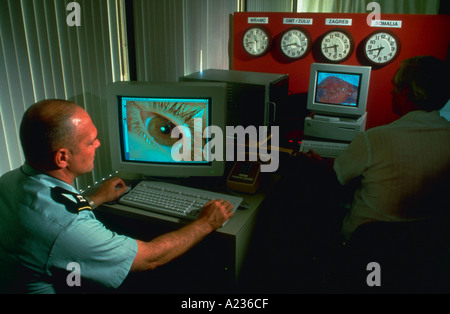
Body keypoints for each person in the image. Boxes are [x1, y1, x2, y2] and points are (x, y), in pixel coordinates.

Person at [0, 99, 234, 294]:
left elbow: (48, 219)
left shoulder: (9, 182)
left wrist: (94, 199)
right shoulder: (68, 229)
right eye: (91, 142)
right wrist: (206, 222)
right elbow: (151, 258)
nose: (98, 144)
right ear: (62, 158)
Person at [333, 55, 450, 240]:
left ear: (405, 92)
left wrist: (315, 162)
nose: (390, 92)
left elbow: (338, 176)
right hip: (423, 248)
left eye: (394, 86)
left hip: (365, 245)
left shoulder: (374, 138)